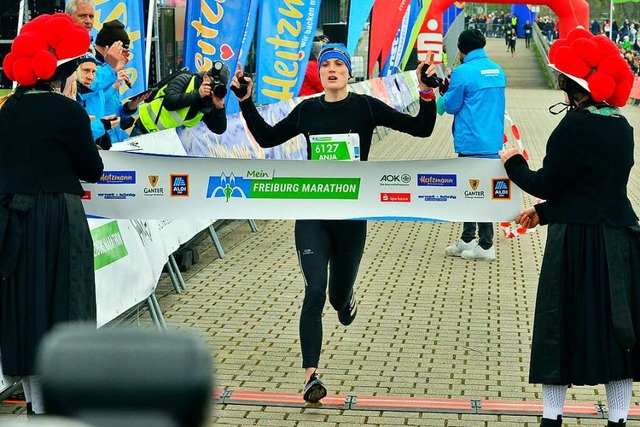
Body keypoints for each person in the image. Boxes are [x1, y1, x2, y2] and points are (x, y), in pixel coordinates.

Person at [229, 43, 437, 405]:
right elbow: (266, 138)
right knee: (313, 290)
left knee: (336, 296)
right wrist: (246, 101)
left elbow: (421, 129)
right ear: (320, 73)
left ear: (348, 72)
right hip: (313, 214)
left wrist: (426, 90)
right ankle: (311, 376)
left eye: (339, 64)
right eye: (326, 64)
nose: (332, 69)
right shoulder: (308, 109)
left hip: (352, 218)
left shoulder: (364, 105)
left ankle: (346, 299)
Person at [499, 28, 639, 427]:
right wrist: (544, 213)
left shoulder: (572, 128)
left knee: (557, 329)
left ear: (569, 86)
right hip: (619, 237)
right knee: (618, 334)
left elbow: (548, 182)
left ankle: (551, 419)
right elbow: (592, 188)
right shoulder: (622, 125)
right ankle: (618, 420)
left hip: (576, 243)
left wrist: (514, 163)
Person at [0, 13, 104, 415]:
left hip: (13, 220)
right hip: (58, 217)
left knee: (26, 311)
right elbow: (90, 169)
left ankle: (35, 405)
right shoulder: (67, 112)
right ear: (64, 73)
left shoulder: (7, 110)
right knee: (65, 308)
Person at [434, 29, 506, 261]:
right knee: (478, 191)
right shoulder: (497, 70)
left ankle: (485, 245)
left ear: (462, 49)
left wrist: (439, 95)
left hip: (471, 141)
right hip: (492, 141)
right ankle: (467, 239)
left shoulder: (462, 72)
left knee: (474, 193)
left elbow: (450, 106)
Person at [132, 61, 229, 135]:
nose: (214, 87)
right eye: (213, 82)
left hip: (165, 141)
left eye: (219, 85)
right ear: (205, 77)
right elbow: (169, 102)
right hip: (145, 129)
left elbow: (219, 129)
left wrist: (219, 107)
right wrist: (197, 94)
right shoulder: (185, 79)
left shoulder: (209, 101)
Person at [94, 20, 147, 143]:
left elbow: (113, 109)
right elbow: (91, 100)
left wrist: (130, 107)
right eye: (121, 50)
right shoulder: (92, 68)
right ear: (108, 47)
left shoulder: (111, 69)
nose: (124, 55)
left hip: (114, 138)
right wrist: (114, 86)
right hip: (98, 137)